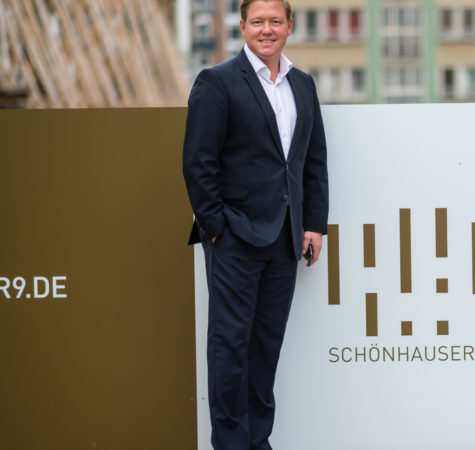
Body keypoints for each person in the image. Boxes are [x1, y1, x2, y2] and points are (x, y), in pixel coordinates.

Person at [182, 0, 328, 448]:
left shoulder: (302, 84)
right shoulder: (217, 81)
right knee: (229, 347)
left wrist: (313, 224)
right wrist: (216, 229)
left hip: (285, 239)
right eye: (258, 21)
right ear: (243, 27)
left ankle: (257, 441)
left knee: (265, 350)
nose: (267, 29)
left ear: (289, 26)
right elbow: (197, 162)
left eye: (275, 21)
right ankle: (230, 443)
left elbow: (312, 161)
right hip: (234, 237)